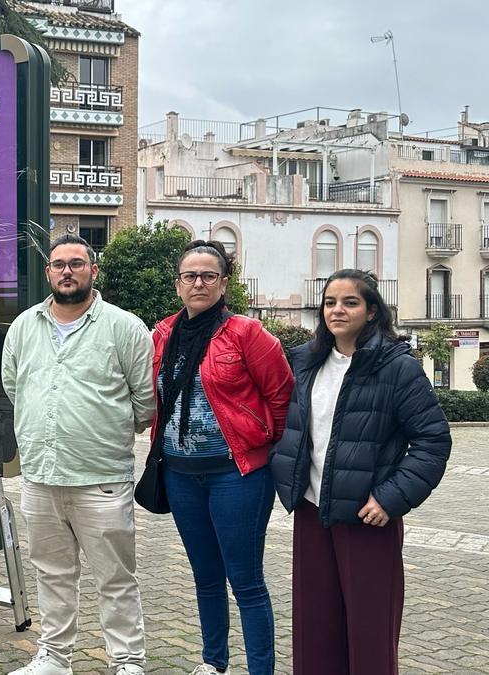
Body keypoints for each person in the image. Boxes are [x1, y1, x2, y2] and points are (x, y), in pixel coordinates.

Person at [270, 269, 450, 675]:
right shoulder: (305, 361)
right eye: (330, 302)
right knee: (315, 630)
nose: (337, 310)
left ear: (371, 312)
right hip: (313, 511)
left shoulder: (396, 367)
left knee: (369, 634)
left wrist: (390, 497)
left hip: (367, 518)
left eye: (350, 302)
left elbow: (432, 441)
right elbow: (294, 428)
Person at [1, 234, 157, 675]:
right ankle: (54, 658)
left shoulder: (125, 327)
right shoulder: (24, 326)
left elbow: (144, 403)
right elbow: (15, 387)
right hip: (40, 476)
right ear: (48, 272)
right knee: (52, 574)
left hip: (101, 478)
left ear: (93, 270)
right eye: (58, 264)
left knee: (116, 578)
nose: (66, 271)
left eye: (76, 263)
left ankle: (127, 662)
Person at [150, 240, 293, 675]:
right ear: (178, 285)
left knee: (245, 581)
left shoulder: (248, 334)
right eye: (189, 276)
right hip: (179, 473)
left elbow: (282, 398)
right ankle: (213, 663)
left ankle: (260, 670)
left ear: (224, 283)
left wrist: (267, 448)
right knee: (205, 577)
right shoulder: (161, 334)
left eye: (208, 275)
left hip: (238, 475)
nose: (198, 283)